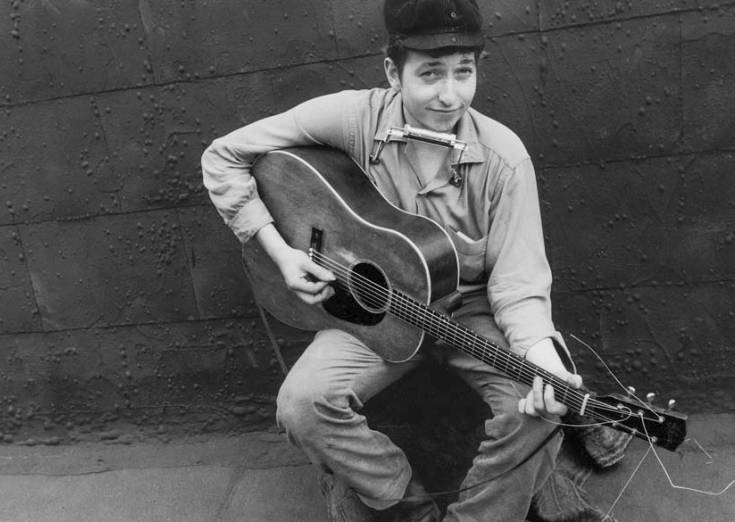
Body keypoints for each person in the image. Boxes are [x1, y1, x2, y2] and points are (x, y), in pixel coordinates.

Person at [201, 0, 583, 519]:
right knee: (300, 406)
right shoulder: (355, 117)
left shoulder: (504, 159)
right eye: (430, 74)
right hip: (374, 314)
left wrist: (541, 356)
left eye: (463, 73)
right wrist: (283, 253)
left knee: (540, 409)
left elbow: (519, 285)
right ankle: (407, 505)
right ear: (392, 71)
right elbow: (224, 156)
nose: (450, 95)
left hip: (467, 312)